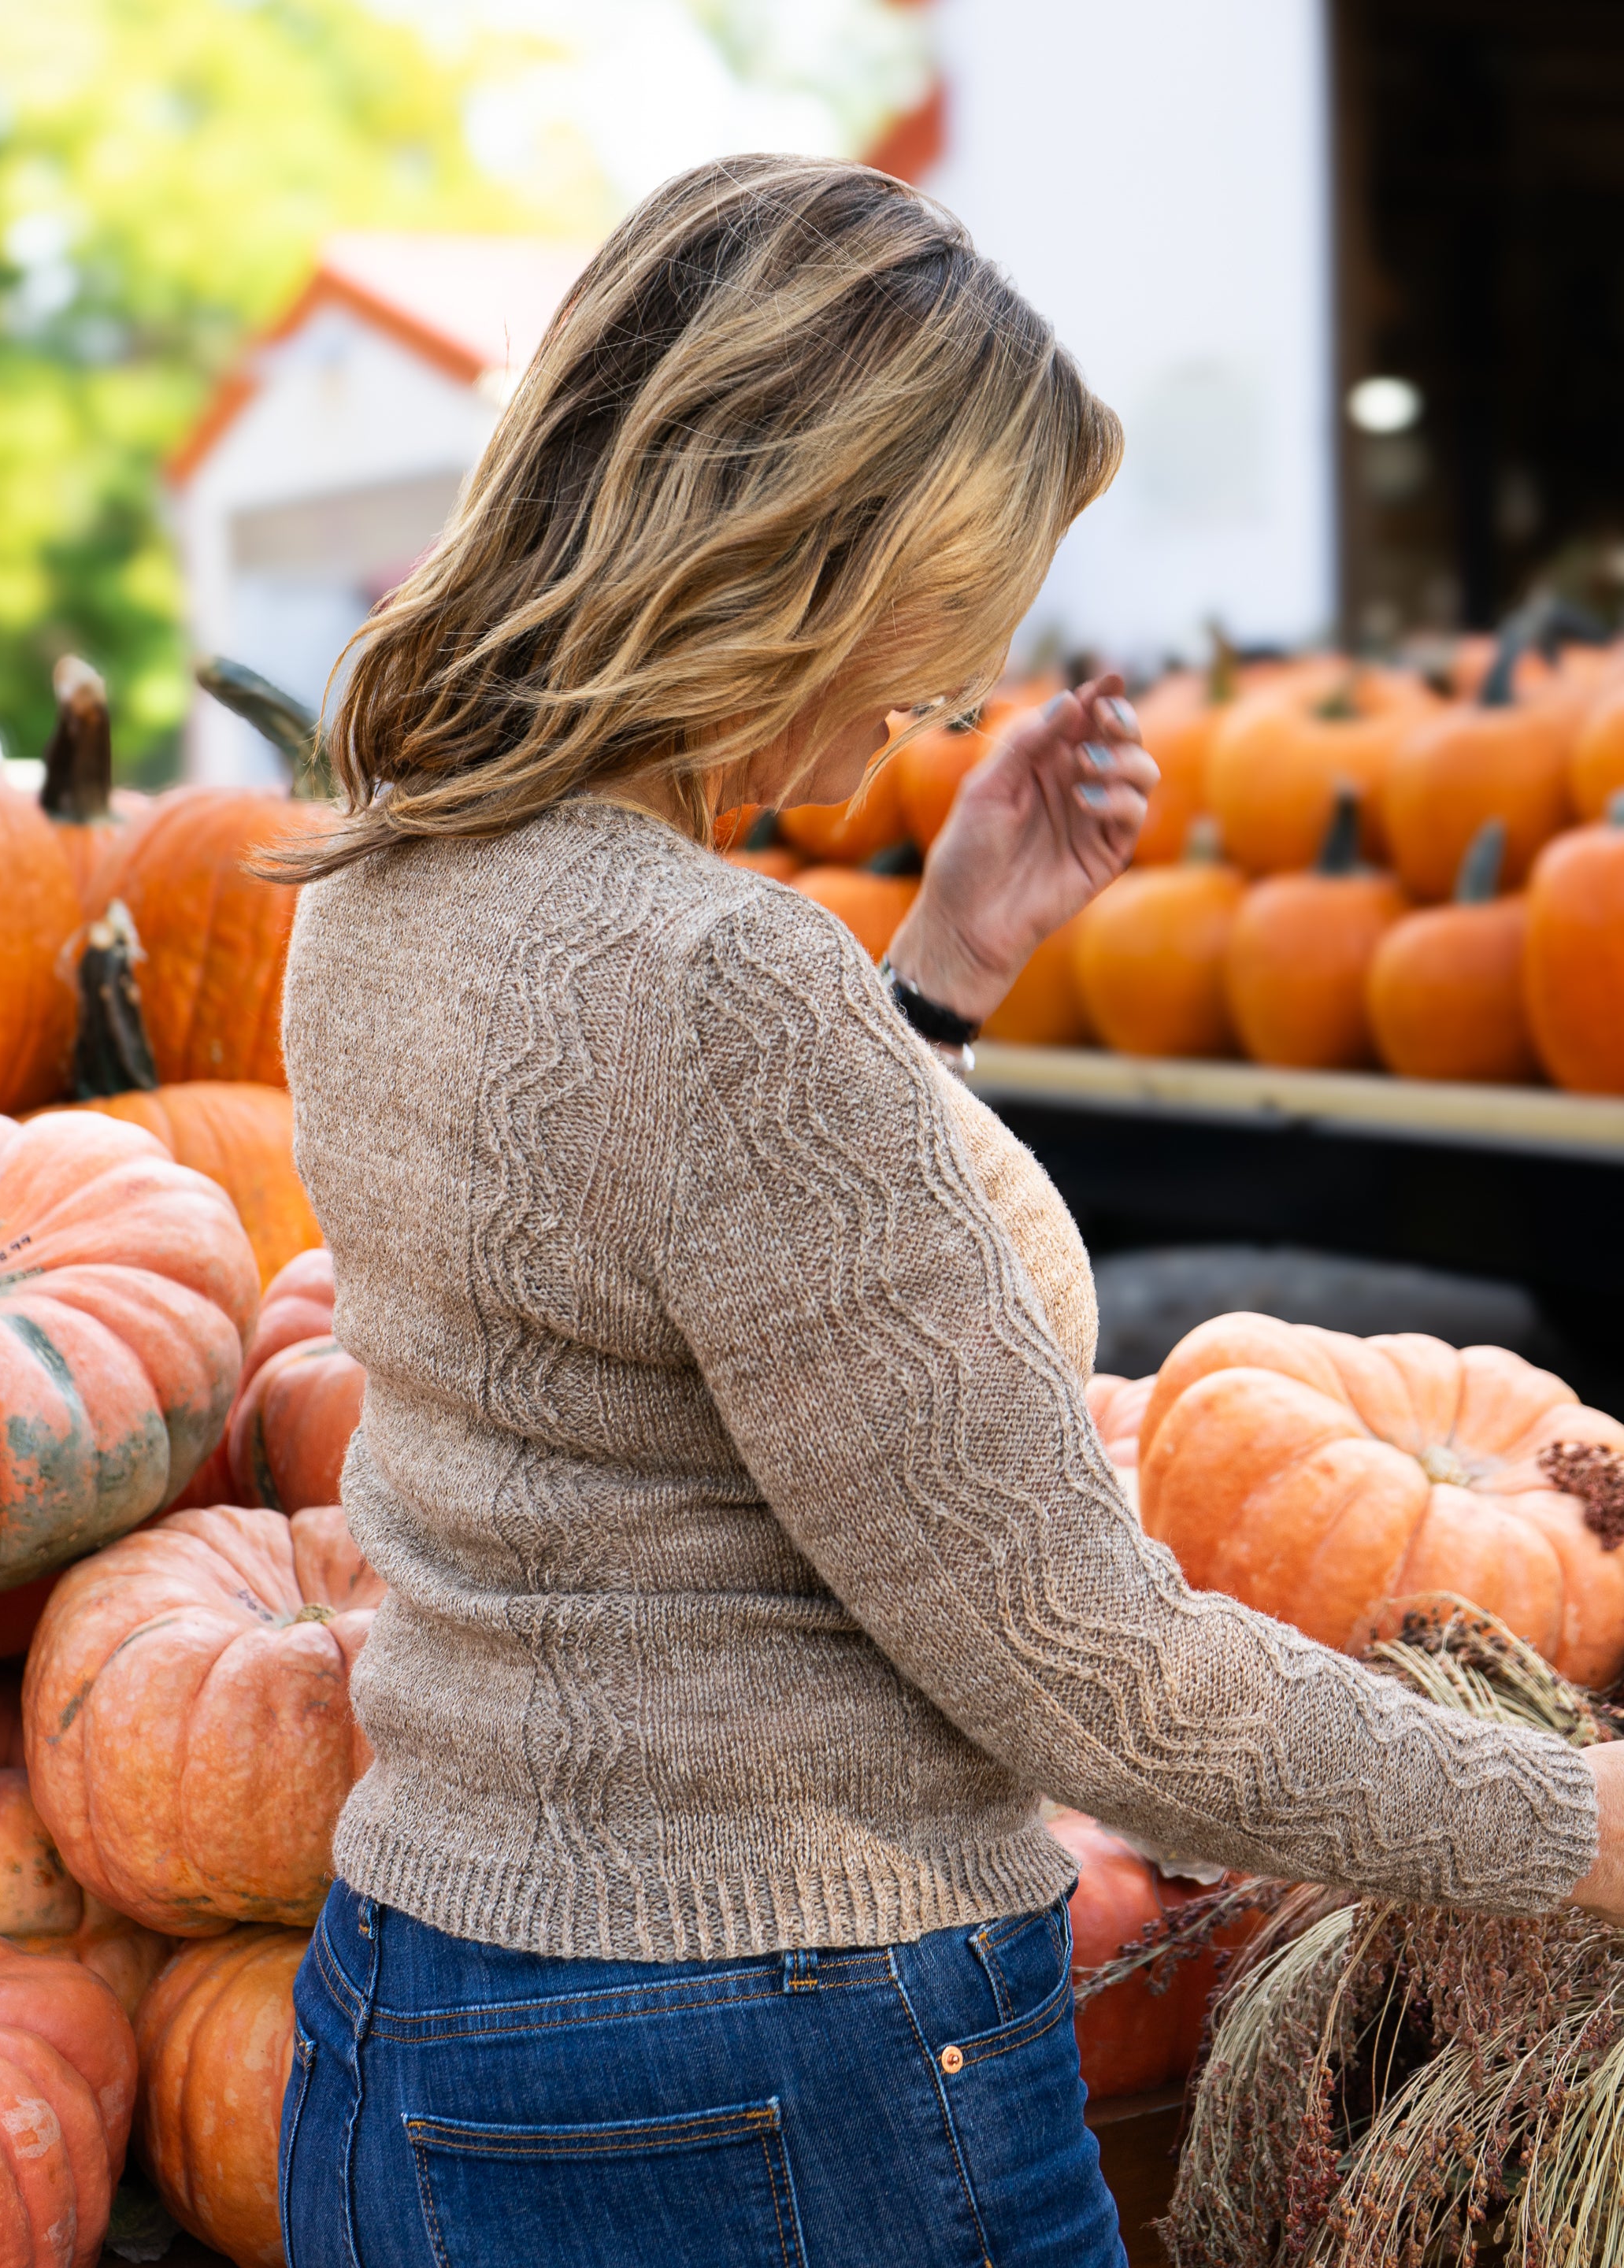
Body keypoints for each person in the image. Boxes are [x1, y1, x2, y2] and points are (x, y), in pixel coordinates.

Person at [276, 155, 1624, 2268]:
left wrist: (943, 975)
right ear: (804, 557)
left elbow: (676, 1311)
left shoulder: (375, 891)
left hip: (418, 2026)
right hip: (775, 2073)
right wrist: (1585, 1825)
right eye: (936, 628)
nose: (945, 696)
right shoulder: (728, 987)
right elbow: (1099, 1690)